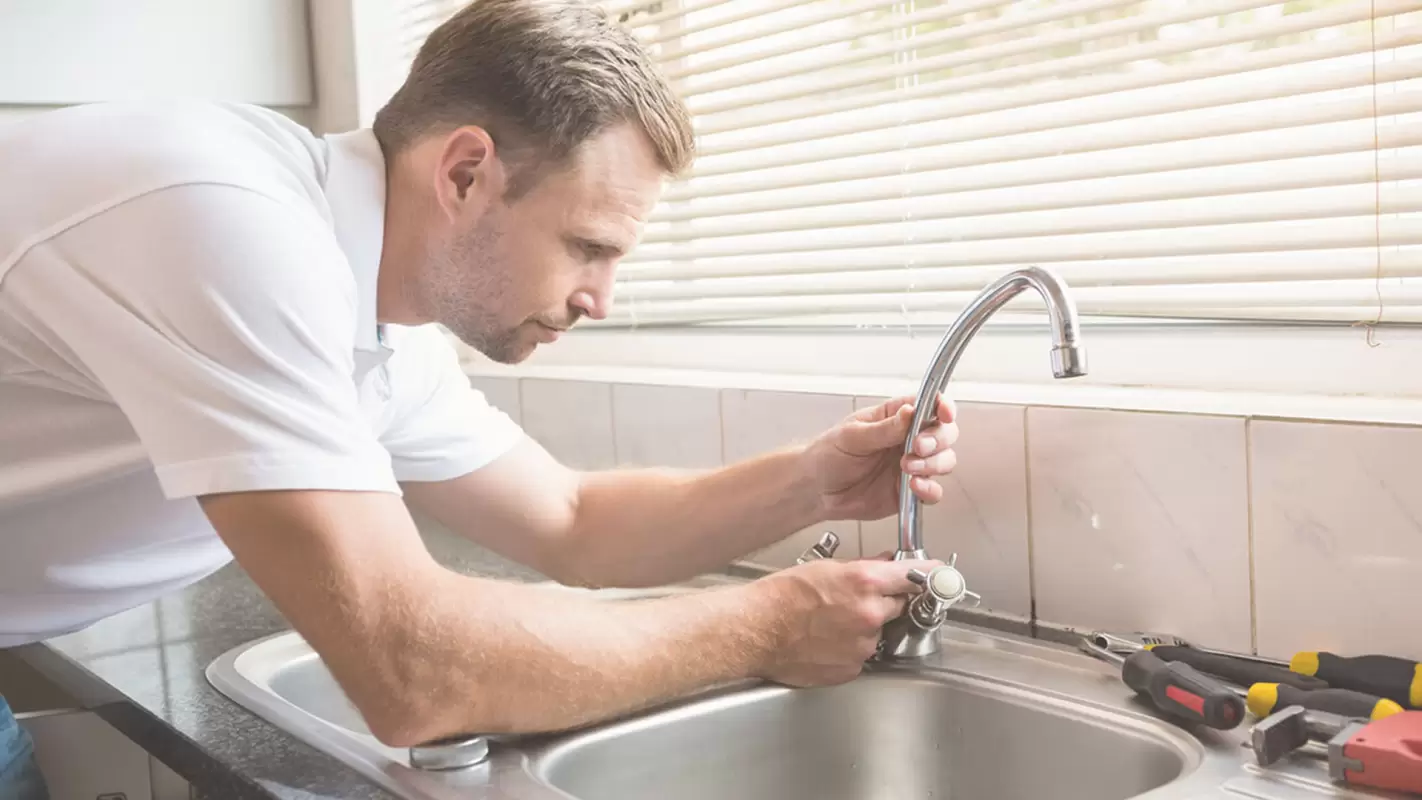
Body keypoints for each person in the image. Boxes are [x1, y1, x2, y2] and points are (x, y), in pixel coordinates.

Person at [0, 0, 959, 792]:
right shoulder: (219, 218)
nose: (600, 298)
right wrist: (767, 626)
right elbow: (412, 669)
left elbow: (574, 521)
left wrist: (810, 483)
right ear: (466, 174)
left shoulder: (375, 314)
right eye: (588, 246)